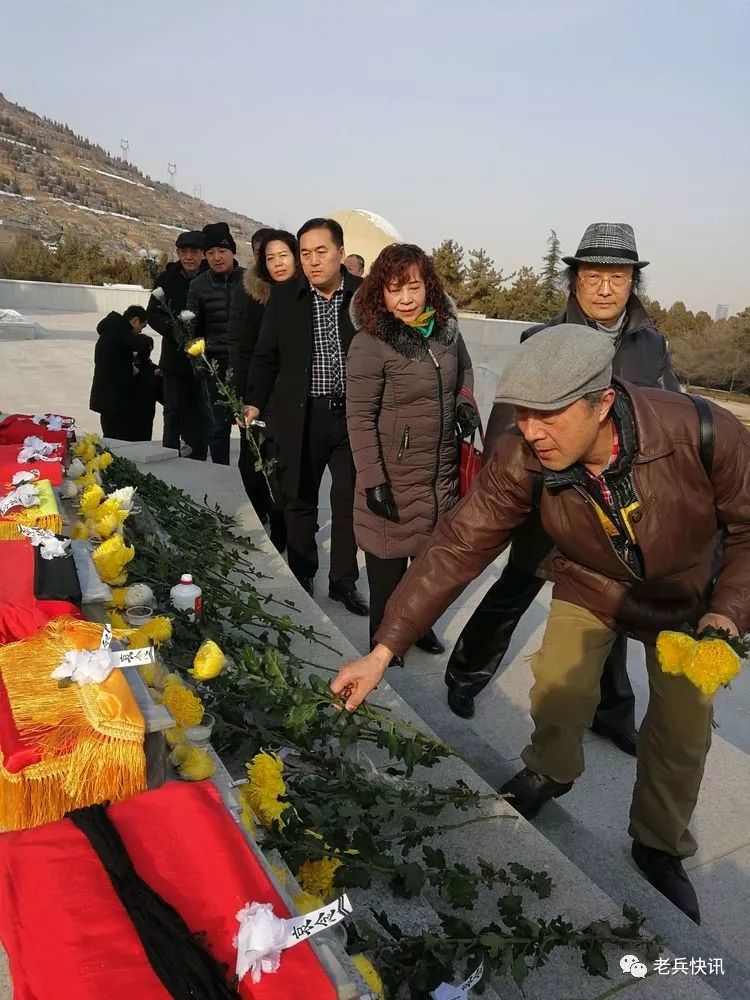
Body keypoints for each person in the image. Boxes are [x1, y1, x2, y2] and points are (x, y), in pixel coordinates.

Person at [332, 323, 750, 925]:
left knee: (683, 730)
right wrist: (382, 649)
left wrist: (728, 608)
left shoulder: (703, 431)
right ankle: (549, 771)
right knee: (557, 684)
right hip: (592, 578)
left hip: (689, 599)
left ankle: (658, 843)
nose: (531, 431)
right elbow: (457, 546)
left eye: (548, 416)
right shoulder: (523, 454)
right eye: (522, 413)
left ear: (602, 403)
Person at [444, 223, 681, 756]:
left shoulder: (651, 345)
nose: (604, 288)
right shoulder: (541, 340)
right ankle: (466, 675)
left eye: (616, 277)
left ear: (631, 283)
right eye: (593, 276)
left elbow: (670, 416)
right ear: (574, 281)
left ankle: (611, 710)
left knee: (613, 609)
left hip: (618, 507)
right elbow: (510, 428)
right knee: (515, 588)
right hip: (550, 499)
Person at [347, 243, 477, 655]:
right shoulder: (371, 343)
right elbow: (359, 418)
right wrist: (373, 481)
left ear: (429, 288)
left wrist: (464, 402)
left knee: (426, 569)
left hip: (439, 474)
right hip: (393, 478)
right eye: (395, 289)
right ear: (380, 294)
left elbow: (465, 371)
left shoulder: (446, 332)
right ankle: (380, 647)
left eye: (414, 287)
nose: (406, 299)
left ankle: (417, 628)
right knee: (387, 574)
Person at [245, 218, 368, 615]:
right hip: (302, 415)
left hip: (352, 416)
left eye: (322, 251)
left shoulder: (364, 297)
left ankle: (343, 581)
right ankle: (303, 574)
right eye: (306, 254)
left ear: (340, 252)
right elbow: (265, 356)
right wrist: (254, 402)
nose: (313, 262)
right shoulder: (285, 298)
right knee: (298, 498)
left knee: (348, 499)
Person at [228, 228, 299, 550]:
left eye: (282, 254)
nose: (275, 262)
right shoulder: (250, 294)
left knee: (287, 468)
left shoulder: (306, 292)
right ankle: (261, 517)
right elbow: (243, 347)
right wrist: (244, 394)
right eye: (267, 256)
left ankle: (283, 525)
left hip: (297, 395)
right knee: (254, 463)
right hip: (260, 392)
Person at [185, 222, 245, 465]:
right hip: (214, 367)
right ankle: (221, 473)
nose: (217, 257)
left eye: (222, 251)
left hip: (246, 365)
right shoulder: (198, 285)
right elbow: (191, 330)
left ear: (232, 251)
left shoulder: (250, 280)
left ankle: (250, 475)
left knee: (248, 424)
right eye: (210, 253)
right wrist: (198, 362)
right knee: (217, 427)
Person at [145, 230, 208, 458]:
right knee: (172, 411)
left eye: (194, 252)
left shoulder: (210, 278)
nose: (188, 257)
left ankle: (199, 457)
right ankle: (169, 455)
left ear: (202, 254)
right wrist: (171, 328)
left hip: (204, 360)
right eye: (184, 252)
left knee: (202, 413)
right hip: (174, 360)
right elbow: (152, 313)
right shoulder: (166, 279)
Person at [89, 305, 154, 439]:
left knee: (110, 434)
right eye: (142, 326)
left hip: (106, 395)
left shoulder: (112, 329)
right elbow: (141, 345)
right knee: (113, 438)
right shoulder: (121, 331)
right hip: (113, 397)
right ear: (135, 320)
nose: (140, 331)